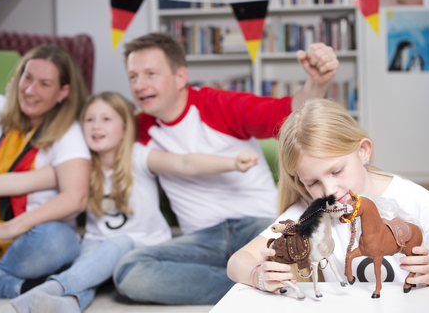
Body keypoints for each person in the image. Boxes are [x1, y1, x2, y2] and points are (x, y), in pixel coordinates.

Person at [112, 32, 340, 304]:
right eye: (133, 76)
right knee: (128, 271)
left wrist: (316, 83)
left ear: (180, 76)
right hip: (202, 239)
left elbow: (289, 115)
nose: (139, 85)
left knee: (305, 252)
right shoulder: (139, 128)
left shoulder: (217, 105)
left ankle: (257, 276)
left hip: (256, 226)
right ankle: (251, 281)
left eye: (150, 73)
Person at [4, 91, 260, 313]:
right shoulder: (81, 165)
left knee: (119, 243)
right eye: (89, 120)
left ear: (125, 126)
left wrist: (232, 163)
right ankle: (68, 303)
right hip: (97, 244)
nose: (96, 126)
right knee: (88, 268)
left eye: (106, 119)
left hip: (143, 243)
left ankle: (55, 285)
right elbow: (25, 181)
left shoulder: (138, 156)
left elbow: (184, 162)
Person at [226, 98, 429, 313]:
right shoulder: (310, 211)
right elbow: (237, 261)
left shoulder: (422, 206)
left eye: (337, 171)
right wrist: (258, 275)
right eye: (313, 182)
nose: (329, 191)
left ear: (363, 151)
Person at [0, 45, 91, 299]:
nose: (30, 90)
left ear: (63, 92)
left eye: (44, 84)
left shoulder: (68, 132)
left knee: (58, 240)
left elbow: (75, 198)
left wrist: (8, 228)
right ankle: (16, 285)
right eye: (27, 78)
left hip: (28, 241)